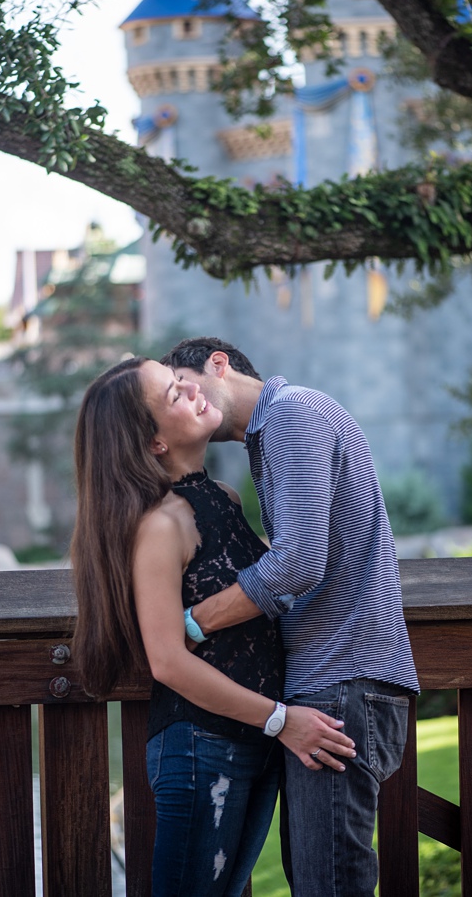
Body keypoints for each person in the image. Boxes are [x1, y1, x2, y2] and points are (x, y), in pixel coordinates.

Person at [71, 357, 355, 897]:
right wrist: (279, 720)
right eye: (173, 395)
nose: (192, 388)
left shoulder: (223, 498)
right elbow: (167, 660)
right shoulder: (159, 526)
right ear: (154, 443)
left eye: (181, 379)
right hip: (202, 749)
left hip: (256, 742)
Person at [161, 337, 420, 897]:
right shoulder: (271, 435)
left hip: (341, 683)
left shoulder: (292, 414)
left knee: (327, 885)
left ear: (219, 365)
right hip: (336, 686)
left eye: (182, 384)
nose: (182, 398)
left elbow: (298, 563)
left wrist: (191, 624)